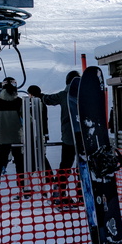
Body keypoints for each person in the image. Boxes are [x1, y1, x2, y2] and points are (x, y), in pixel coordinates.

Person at [41, 70, 81, 206]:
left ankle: (60, 191)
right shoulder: (85, 93)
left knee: (65, 166)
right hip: (84, 137)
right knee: (83, 166)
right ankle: (82, 193)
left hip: (69, 137)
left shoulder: (64, 95)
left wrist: (39, 96)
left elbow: (48, 99)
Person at [0, 77, 27, 197]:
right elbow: (28, 117)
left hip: (1, 138)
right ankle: (23, 187)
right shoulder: (19, 101)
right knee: (20, 163)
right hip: (18, 137)